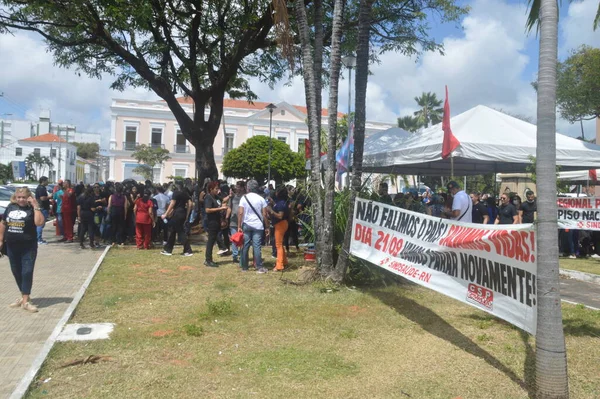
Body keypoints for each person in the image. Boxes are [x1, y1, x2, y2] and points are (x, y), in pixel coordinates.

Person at [0, 187, 46, 312]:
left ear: (28, 197)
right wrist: (0, 239)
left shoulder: (32, 208)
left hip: (28, 246)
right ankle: (24, 296)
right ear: (15, 197)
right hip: (11, 245)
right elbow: (3, 223)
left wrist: (35, 205)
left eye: (24, 197)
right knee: (16, 271)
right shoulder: (10, 207)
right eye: (19, 197)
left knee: (27, 271)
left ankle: (25, 302)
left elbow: (39, 223)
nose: (21, 200)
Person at [238, 179, 269, 273]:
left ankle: (244, 267)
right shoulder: (261, 199)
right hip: (258, 225)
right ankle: (259, 267)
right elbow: (265, 215)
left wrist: (239, 226)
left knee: (245, 246)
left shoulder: (244, 198)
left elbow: (240, 213)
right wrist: (267, 227)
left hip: (246, 224)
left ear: (248, 188)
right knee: (257, 246)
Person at [161, 184, 193, 257]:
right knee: (172, 230)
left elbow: (172, 204)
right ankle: (168, 250)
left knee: (180, 232)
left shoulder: (176, 193)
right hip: (183, 213)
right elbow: (190, 204)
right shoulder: (185, 193)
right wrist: (187, 214)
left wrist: (166, 214)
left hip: (177, 214)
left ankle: (188, 250)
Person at [203, 181, 228, 267]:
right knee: (211, 241)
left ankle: (222, 247)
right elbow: (207, 210)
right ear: (211, 189)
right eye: (216, 188)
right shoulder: (208, 198)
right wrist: (220, 208)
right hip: (211, 222)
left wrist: (230, 196)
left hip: (217, 221)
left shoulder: (215, 197)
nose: (218, 190)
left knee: (216, 238)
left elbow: (223, 200)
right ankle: (208, 260)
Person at [269, 187, 290, 271]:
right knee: (280, 244)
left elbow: (280, 215)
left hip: (280, 224)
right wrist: (273, 203)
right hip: (281, 224)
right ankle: (284, 261)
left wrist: (271, 211)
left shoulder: (281, 203)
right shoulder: (281, 202)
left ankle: (279, 265)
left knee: (278, 245)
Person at [226, 181, 245, 263]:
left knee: (242, 239)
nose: (237, 188)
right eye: (237, 187)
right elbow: (229, 208)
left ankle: (242, 255)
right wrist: (226, 217)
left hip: (243, 221)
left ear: (243, 187)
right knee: (234, 239)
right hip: (233, 221)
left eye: (239, 187)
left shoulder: (245, 197)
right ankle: (235, 255)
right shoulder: (232, 197)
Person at [35, 176, 50, 244]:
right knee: (40, 224)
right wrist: (49, 196)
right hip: (42, 208)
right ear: (43, 181)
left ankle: (38, 238)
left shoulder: (42, 188)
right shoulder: (41, 188)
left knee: (41, 224)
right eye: (47, 180)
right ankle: (39, 239)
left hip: (42, 207)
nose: (48, 182)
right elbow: (42, 198)